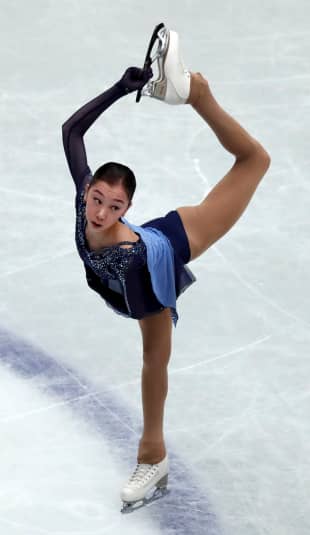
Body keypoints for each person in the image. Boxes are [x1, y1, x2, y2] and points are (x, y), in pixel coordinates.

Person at [62, 25, 270, 511]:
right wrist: (119, 87)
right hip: (152, 237)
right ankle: (190, 90)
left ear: (127, 207)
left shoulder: (137, 262)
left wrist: (150, 442)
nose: (99, 213)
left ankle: (152, 456)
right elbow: (71, 132)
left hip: (165, 247)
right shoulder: (84, 203)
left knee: (254, 160)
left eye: (114, 207)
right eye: (97, 200)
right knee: (251, 160)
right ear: (89, 191)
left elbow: (156, 357)